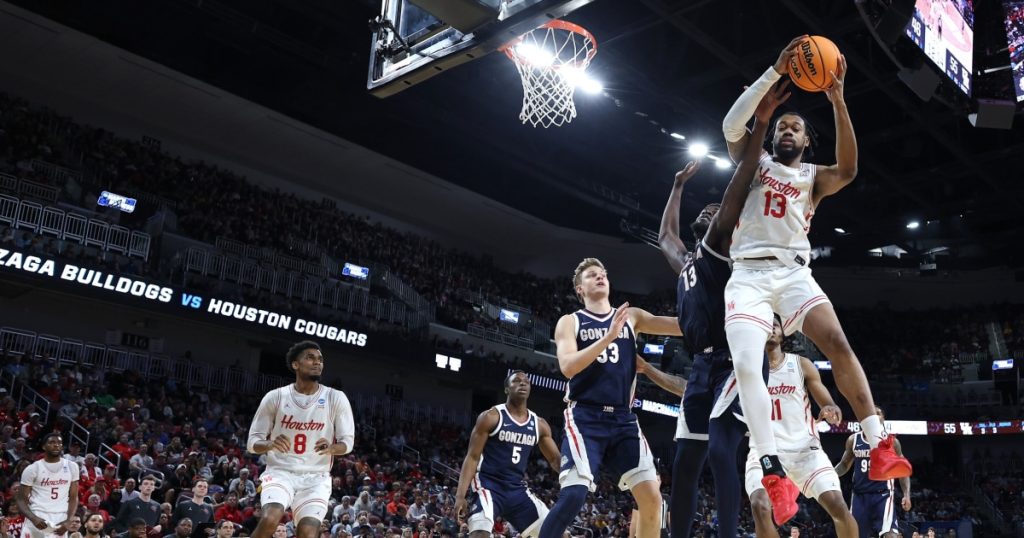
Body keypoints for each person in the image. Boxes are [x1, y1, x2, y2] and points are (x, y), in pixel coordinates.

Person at [719, 35, 912, 524]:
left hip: (792, 272)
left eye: (795, 128)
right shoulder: (754, 161)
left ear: (806, 141)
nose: (787, 129)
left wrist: (838, 98)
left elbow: (848, 168)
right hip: (748, 273)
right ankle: (771, 469)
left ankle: (878, 438)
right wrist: (773, 71)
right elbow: (730, 124)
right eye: (783, 124)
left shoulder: (812, 177)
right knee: (746, 362)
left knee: (837, 342)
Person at [649, 78, 791, 538]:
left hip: (736, 361)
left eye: (715, 211)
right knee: (685, 461)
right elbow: (666, 239)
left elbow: (735, 190)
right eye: (706, 210)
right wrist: (675, 188)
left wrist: (758, 130)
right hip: (701, 368)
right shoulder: (687, 262)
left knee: (719, 452)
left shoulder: (717, 248)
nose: (710, 212)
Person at [538, 259, 684, 538]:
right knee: (573, 495)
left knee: (653, 498)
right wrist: (608, 338)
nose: (600, 277)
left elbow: (681, 326)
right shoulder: (570, 322)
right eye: (592, 275)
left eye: (603, 274)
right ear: (580, 289)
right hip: (585, 417)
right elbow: (568, 367)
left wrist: (718, 308)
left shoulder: (632, 317)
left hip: (622, 419)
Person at [745, 317, 855, 538]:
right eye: (764, 324)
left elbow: (825, 400)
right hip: (765, 452)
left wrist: (830, 408)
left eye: (774, 324)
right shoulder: (745, 369)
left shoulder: (800, 364)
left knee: (838, 507)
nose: (770, 328)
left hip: (805, 449)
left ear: (783, 333)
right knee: (759, 506)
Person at [247, 341, 355, 538]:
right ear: (296, 364)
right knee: (270, 518)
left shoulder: (336, 398)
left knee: (308, 531)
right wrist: (270, 444)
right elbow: (253, 443)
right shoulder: (276, 397)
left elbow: (347, 444)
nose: (317, 363)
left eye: (320, 359)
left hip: (316, 477)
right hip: (280, 471)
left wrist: (332, 448)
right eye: (310, 358)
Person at [453, 371, 561, 538]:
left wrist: (575, 478)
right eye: (517, 381)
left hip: (516, 490)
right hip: (488, 486)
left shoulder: (539, 424)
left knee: (557, 533)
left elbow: (555, 460)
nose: (523, 384)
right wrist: (460, 495)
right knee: (479, 534)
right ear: (506, 389)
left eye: (526, 381)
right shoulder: (491, 417)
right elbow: (472, 457)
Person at [834, 407, 911, 538]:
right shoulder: (854, 440)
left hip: (883, 495)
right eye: (871, 413)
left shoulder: (892, 442)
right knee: (854, 535)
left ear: (883, 419)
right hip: (859, 496)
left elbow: (902, 471)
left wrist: (906, 494)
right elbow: (844, 465)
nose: (874, 416)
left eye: (878, 413)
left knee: (891, 535)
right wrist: (827, 476)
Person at [16, 432, 80, 538]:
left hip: (61, 518)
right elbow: (21, 499)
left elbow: (74, 497)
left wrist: (69, 520)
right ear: (43, 446)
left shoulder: (72, 466)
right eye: (52, 442)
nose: (56, 445)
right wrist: (33, 518)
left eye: (59, 443)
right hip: (37, 515)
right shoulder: (32, 469)